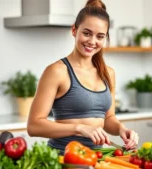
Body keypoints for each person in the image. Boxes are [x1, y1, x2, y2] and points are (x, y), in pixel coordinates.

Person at [27, 0, 139, 155]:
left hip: (96, 158)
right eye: (87, 33)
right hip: (62, 158)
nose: (92, 41)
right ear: (74, 30)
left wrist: (121, 129)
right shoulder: (57, 71)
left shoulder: (108, 73)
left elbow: (108, 118)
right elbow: (34, 126)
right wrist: (78, 128)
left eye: (100, 36)